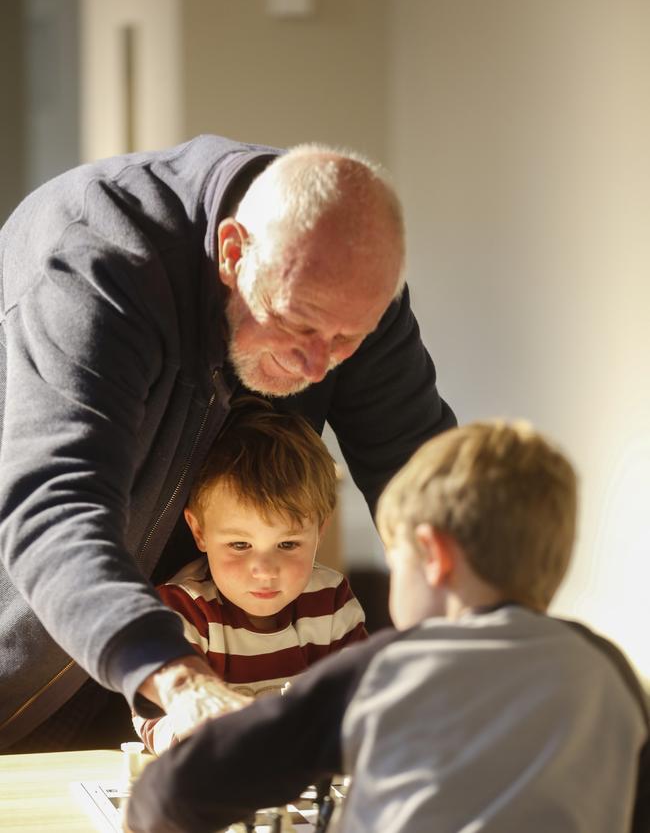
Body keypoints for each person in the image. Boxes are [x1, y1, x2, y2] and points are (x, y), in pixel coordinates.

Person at [0, 134, 455, 751]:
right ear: (234, 252)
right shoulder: (100, 261)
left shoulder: (346, 291)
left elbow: (430, 483)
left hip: (169, 656)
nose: (319, 365)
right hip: (32, 647)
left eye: (347, 338)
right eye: (298, 325)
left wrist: (484, 637)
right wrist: (186, 686)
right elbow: (55, 509)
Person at [125, 420, 650, 833]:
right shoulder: (609, 671)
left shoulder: (389, 669)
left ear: (432, 555)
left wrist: (148, 804)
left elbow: (180, 793)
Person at [132, 399, 367, 754]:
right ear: (199, 531)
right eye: (240, 545)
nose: (264, 569)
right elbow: (153, 720)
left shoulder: (332, 600)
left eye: (287, 544)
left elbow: (364, 698)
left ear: (320, 530)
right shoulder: (183, 609)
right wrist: (191, 735)